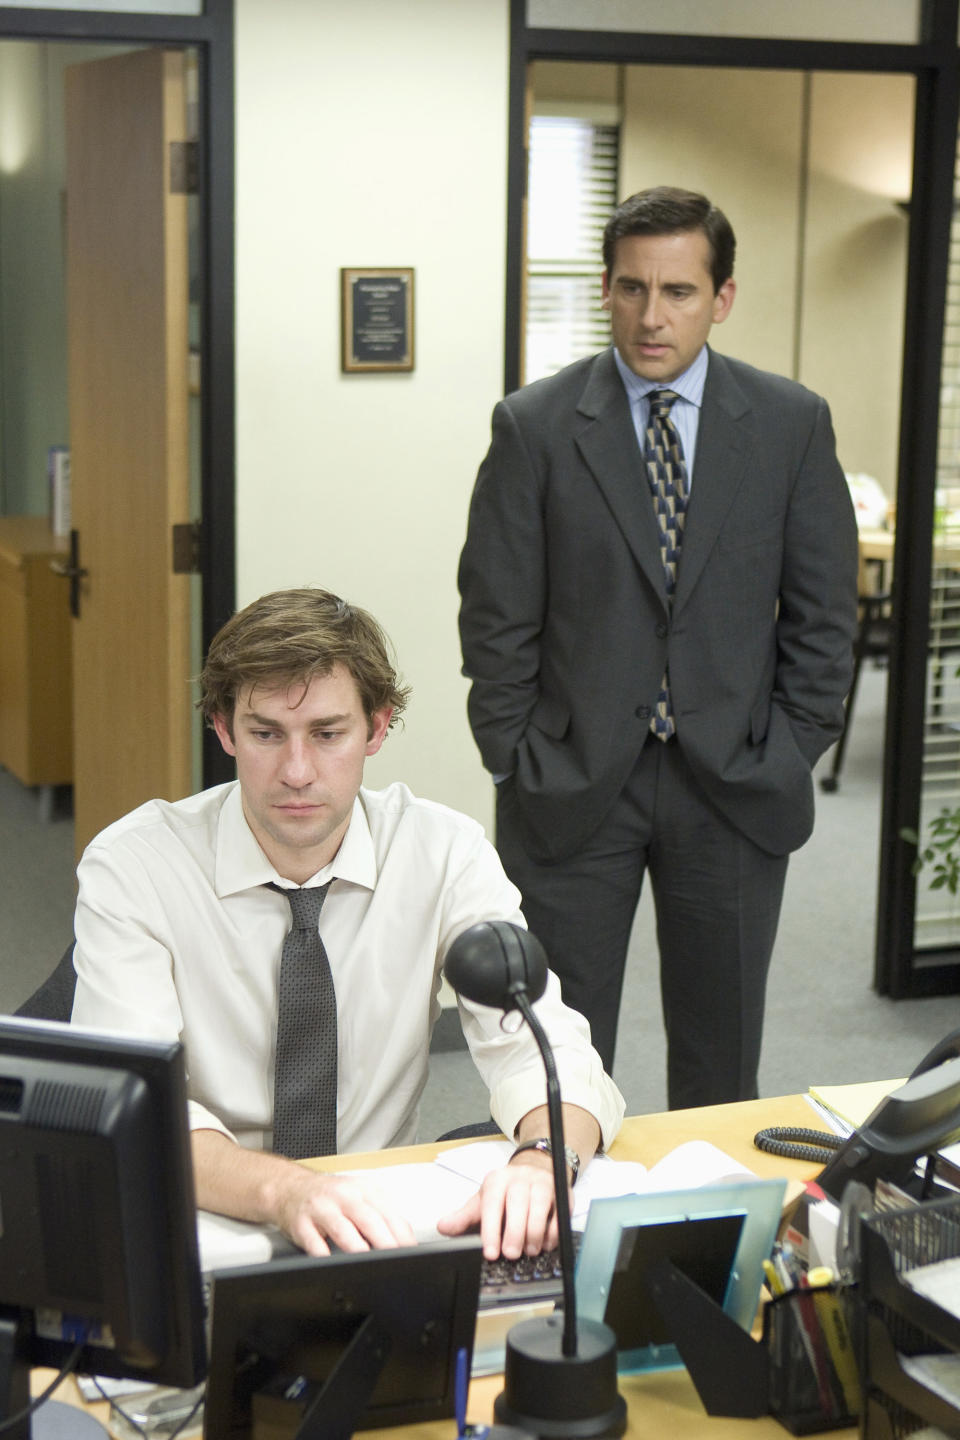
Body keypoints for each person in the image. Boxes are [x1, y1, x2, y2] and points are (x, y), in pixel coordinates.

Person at [71, 587, 624, 1261]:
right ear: (222, 730)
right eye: (266, 734)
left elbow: (545, 1048)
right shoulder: (135, 867)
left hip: (378, 1228)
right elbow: (133, 1113)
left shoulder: (442, 853)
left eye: (328, 734)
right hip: (207, 1219)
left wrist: (542, 1160)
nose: (297, 771)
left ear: (377, 728)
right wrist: (287, 1192)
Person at [458, 186, 859, 1110]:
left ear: (721, 299)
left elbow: (822, 615)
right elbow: (496, 619)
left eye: (678, 291)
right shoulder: (537, 426)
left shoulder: (791, 424)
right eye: (633, 287)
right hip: (572, 781)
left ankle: (703, 1249)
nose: (652, 315)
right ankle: (560, 1241)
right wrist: (518, 758)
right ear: (606, 288)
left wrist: (791, 746)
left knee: (722, 1065)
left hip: (735, 782)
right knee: (559, 1059)